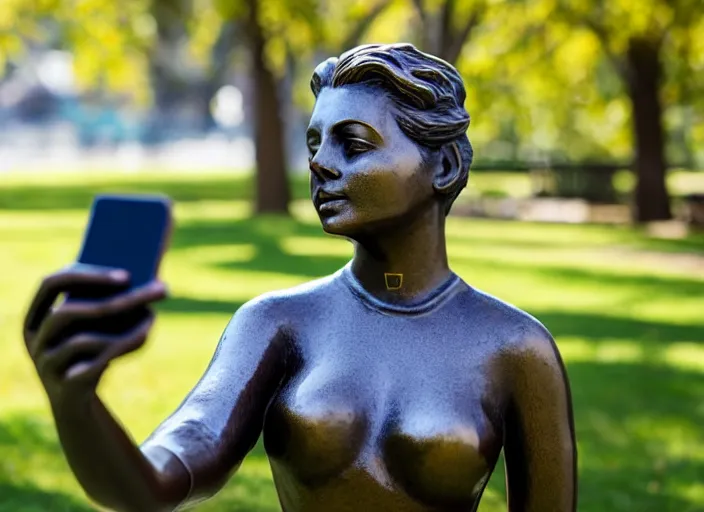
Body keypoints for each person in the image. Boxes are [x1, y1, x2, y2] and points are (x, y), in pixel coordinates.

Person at [23, 43, 576, 512]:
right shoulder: (277, 324)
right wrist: (77, 404)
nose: (319, 164)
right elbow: (157, 483)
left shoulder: (515, 349)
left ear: (445, 166)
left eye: (353, 144)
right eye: (314, 143)